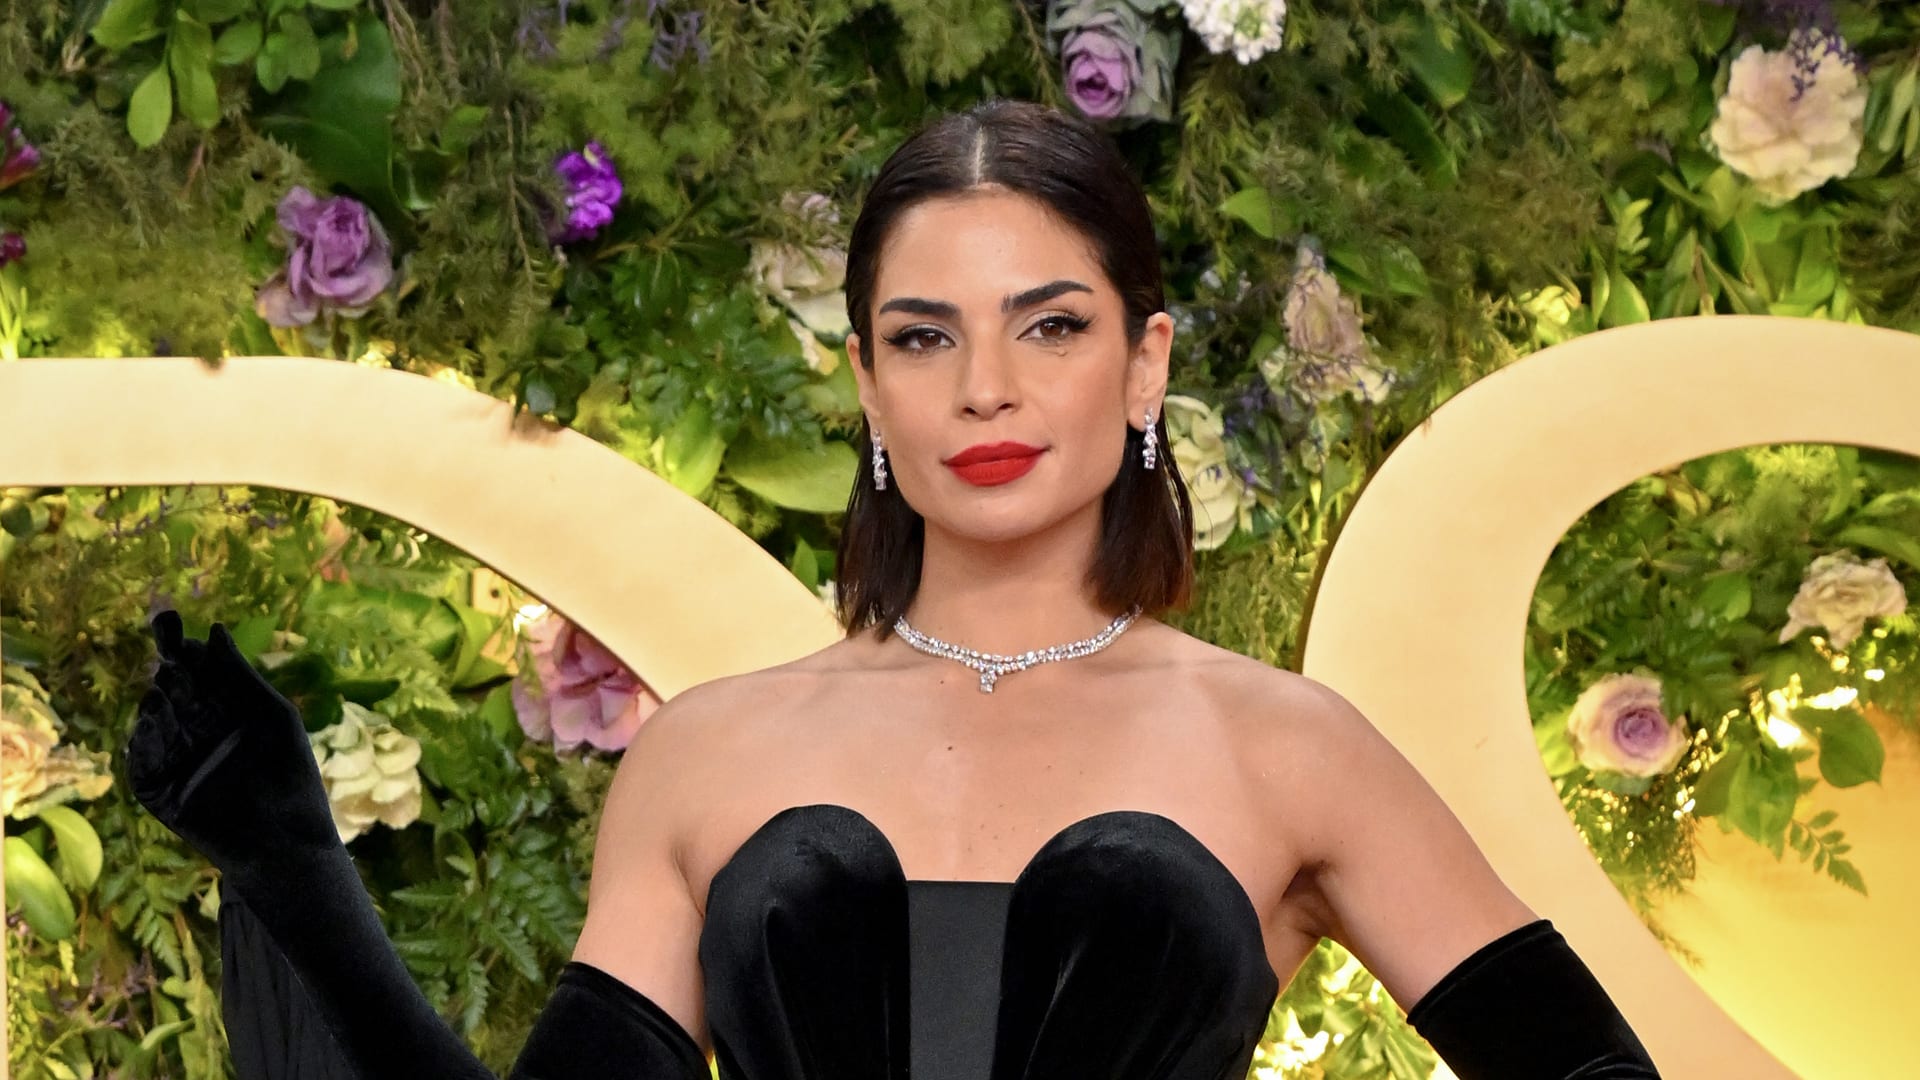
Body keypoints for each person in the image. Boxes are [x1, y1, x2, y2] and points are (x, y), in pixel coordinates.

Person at [127, 99, 1659, 1080]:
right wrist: (292, 859)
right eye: (926, 337)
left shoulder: (1290, 749)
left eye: (1050, 328)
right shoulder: (710, 752)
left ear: (1147, 363)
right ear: (867, 380)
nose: (986, 387)